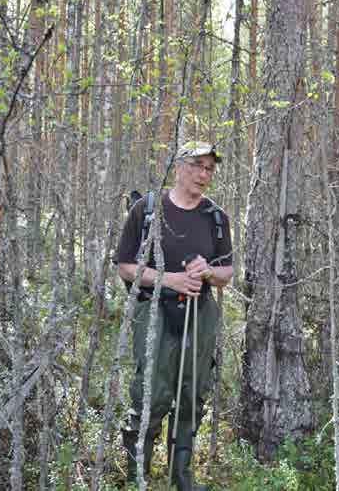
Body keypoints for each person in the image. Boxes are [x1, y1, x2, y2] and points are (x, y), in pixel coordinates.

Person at [116, 141, 233, 490]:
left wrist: (207, 273)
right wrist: (171, 279)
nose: (203, 174)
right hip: (153, 309)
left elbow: (227, 273)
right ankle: (139, 474)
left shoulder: (215, 217)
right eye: (197, 165)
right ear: (179, 166)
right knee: (152, 391)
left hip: (200, 312)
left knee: (192, 392)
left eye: (210, 168)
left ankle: (182, 478)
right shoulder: (146, 209)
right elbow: (124, 267)